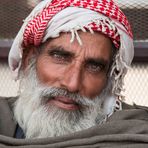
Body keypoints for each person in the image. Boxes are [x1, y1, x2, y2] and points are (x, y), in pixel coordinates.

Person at [1, 0, 148, 147]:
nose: (72, 84)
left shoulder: (135, 134)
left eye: (94, 66)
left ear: (110, 77)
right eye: (60, 57)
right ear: (29, 60)